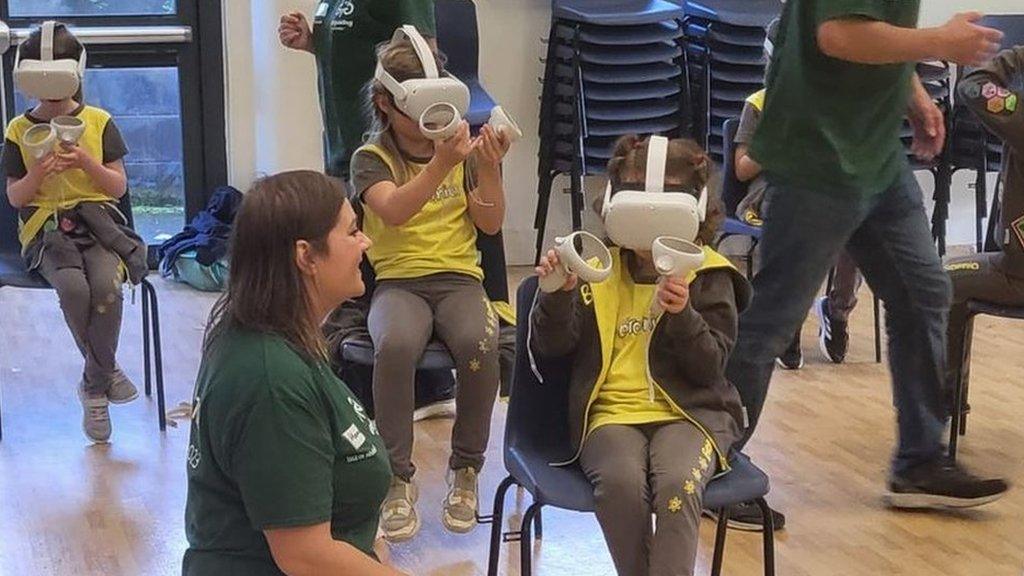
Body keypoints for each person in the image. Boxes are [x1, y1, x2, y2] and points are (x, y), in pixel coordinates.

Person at [729, 0, 1009, 518]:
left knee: (924, 291)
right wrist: (938, 43)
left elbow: (877, 31)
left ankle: (919, 463)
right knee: (772, 320)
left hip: (875, 159)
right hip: (817, 159)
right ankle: (713, 470)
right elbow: (838, 35)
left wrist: (916, 98)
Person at [531, 135, 749, 576]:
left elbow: (709, 369)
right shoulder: (596, 268)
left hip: (691, 414)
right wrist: (556, 295)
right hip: (610, 415)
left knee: (676, 484)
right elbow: (551, 350)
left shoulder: (708, 275)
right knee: (619, 484)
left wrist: (683, 313)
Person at [183, 171, 404, 576]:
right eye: (353, 231)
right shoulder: (270, 379)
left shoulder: (280, 337)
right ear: (306, 256)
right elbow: (305, 555)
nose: (365, 242)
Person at [349, 28, 511, 542]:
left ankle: (466, 470)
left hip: (460, 279)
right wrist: (444, 162)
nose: (427, 124)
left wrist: (488, 170)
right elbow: (394, 211)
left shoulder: (457, 149)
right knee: (393, 345)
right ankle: (396, 476)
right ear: (385, 104)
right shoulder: (370, 158)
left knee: (480, 342)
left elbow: (489, 224)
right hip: (398, 282)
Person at [279, 0, 460, 422]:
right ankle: (386, 383)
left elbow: (423, 68)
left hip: (383, 147)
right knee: (362, 268)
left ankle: (427, 386)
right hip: (347, 139)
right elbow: (351, 44)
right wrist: (314, 43)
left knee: (376, 266)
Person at [1, 22, 141, 444]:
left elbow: (117, 186)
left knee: (106, 286)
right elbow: (14, 197)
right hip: (46, 231)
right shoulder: (18, 131)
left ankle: (92, 386)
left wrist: (85, 163)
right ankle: (106, 375)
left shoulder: (99, 122)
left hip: (100, 226)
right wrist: (40, 170)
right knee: (74, 289)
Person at [733, 17, 863, 369]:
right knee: (793, 220)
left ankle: (837, 312)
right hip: (769, 195)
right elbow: (741, 167)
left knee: (854, 224)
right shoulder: (759, 103)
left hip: (822, 192)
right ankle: (785, 322)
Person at [946, 45, 1024, 407]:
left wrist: (1019, 56)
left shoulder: (1020, 118)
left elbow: (974, 84)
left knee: (941, 279)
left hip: (1017, 275)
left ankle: (942, 402)